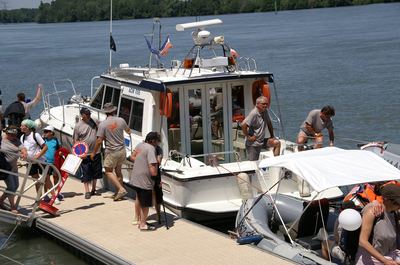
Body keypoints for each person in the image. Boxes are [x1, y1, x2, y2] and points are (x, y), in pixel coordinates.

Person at [92, 103, 130, 201]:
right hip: (122, 150)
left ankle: (121, 189)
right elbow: (128, 131)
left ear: (105, 112)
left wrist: (93, 152)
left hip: (111, 151)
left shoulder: (103, 124)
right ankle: (119, 193)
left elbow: (99, 140)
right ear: (114, 111)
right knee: (118, 171)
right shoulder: (121, 120)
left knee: (108, 171)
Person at [355, 184, 400, 265]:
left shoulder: (395, 212)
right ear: (386, 199)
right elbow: (362, 241)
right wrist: (385, 261)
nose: (399, 205)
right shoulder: (372, 212)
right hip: (371, 260)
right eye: (397, 202)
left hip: (390, 257)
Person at [129, 132, 159, 231]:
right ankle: (143, 224)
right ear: (153, 141)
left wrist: (141, 162)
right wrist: (155, 177)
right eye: (157, 140)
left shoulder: (140, 145)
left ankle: (139, 219)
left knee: (139, 199)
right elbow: (152, 166)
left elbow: (132, 156)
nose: (158, 143)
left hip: (136, 178)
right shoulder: (151, 148)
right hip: (145, 180)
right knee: (146, 203)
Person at [73, 107, 102, 199]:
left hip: (96, 151)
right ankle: (87, 191)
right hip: (85, 154)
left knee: (96, 172)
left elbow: (101, 129)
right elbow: (75, 141)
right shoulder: (78, 126)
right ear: (82, 115)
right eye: (87, 114)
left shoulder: (94, 121)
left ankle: (93, 189)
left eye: (89, 114)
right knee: (86, 173)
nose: (89, 115)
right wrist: (80, 154)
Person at [241, 96, 281, 160]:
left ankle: (276, 162)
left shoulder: (264, 111)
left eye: (266, 104)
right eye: (263, 104)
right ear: (257, 104)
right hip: (253, 143)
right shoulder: (254, 113)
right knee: (253, 164)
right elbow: (243, 125)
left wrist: (272, 136)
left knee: (277, 143)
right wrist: (248, 137)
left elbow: (269, 123)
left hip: (262, 140)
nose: (265, 105)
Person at [0, 126, 27, 213]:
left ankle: (0, 201)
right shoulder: (2, 141)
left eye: (15, 135)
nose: (13, 136)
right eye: (11, 135)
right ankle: (13, 207)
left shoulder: (16, 140)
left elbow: (22, 148)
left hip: (14, 168)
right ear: (7, 133)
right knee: (11, 187)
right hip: (5, 168)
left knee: (16, 186)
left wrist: (24, 152)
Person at [20, 119, 48, 193]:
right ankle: (39, 199)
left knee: (46, 179)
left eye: (22, 126)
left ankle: (53, 196)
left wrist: (37, 156)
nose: (20, 127)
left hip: (40, 160)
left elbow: (45, 147)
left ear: (28, 127)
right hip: (30, 162)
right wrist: (23, 155)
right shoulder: (22, 137)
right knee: (36, 180)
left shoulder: (35, 135)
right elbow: (23, 149)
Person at [43, 125, 62, 204]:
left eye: (46, 131)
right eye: (44, 131)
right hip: (45, 162)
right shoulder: (43, 140)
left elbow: (60, 149)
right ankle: (46, 194)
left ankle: (56, 193)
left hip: (54, 162)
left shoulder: (56, 141)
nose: (44, 133)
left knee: (55, 177)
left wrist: (60, 153)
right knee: (46, 179)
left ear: (51, 133)